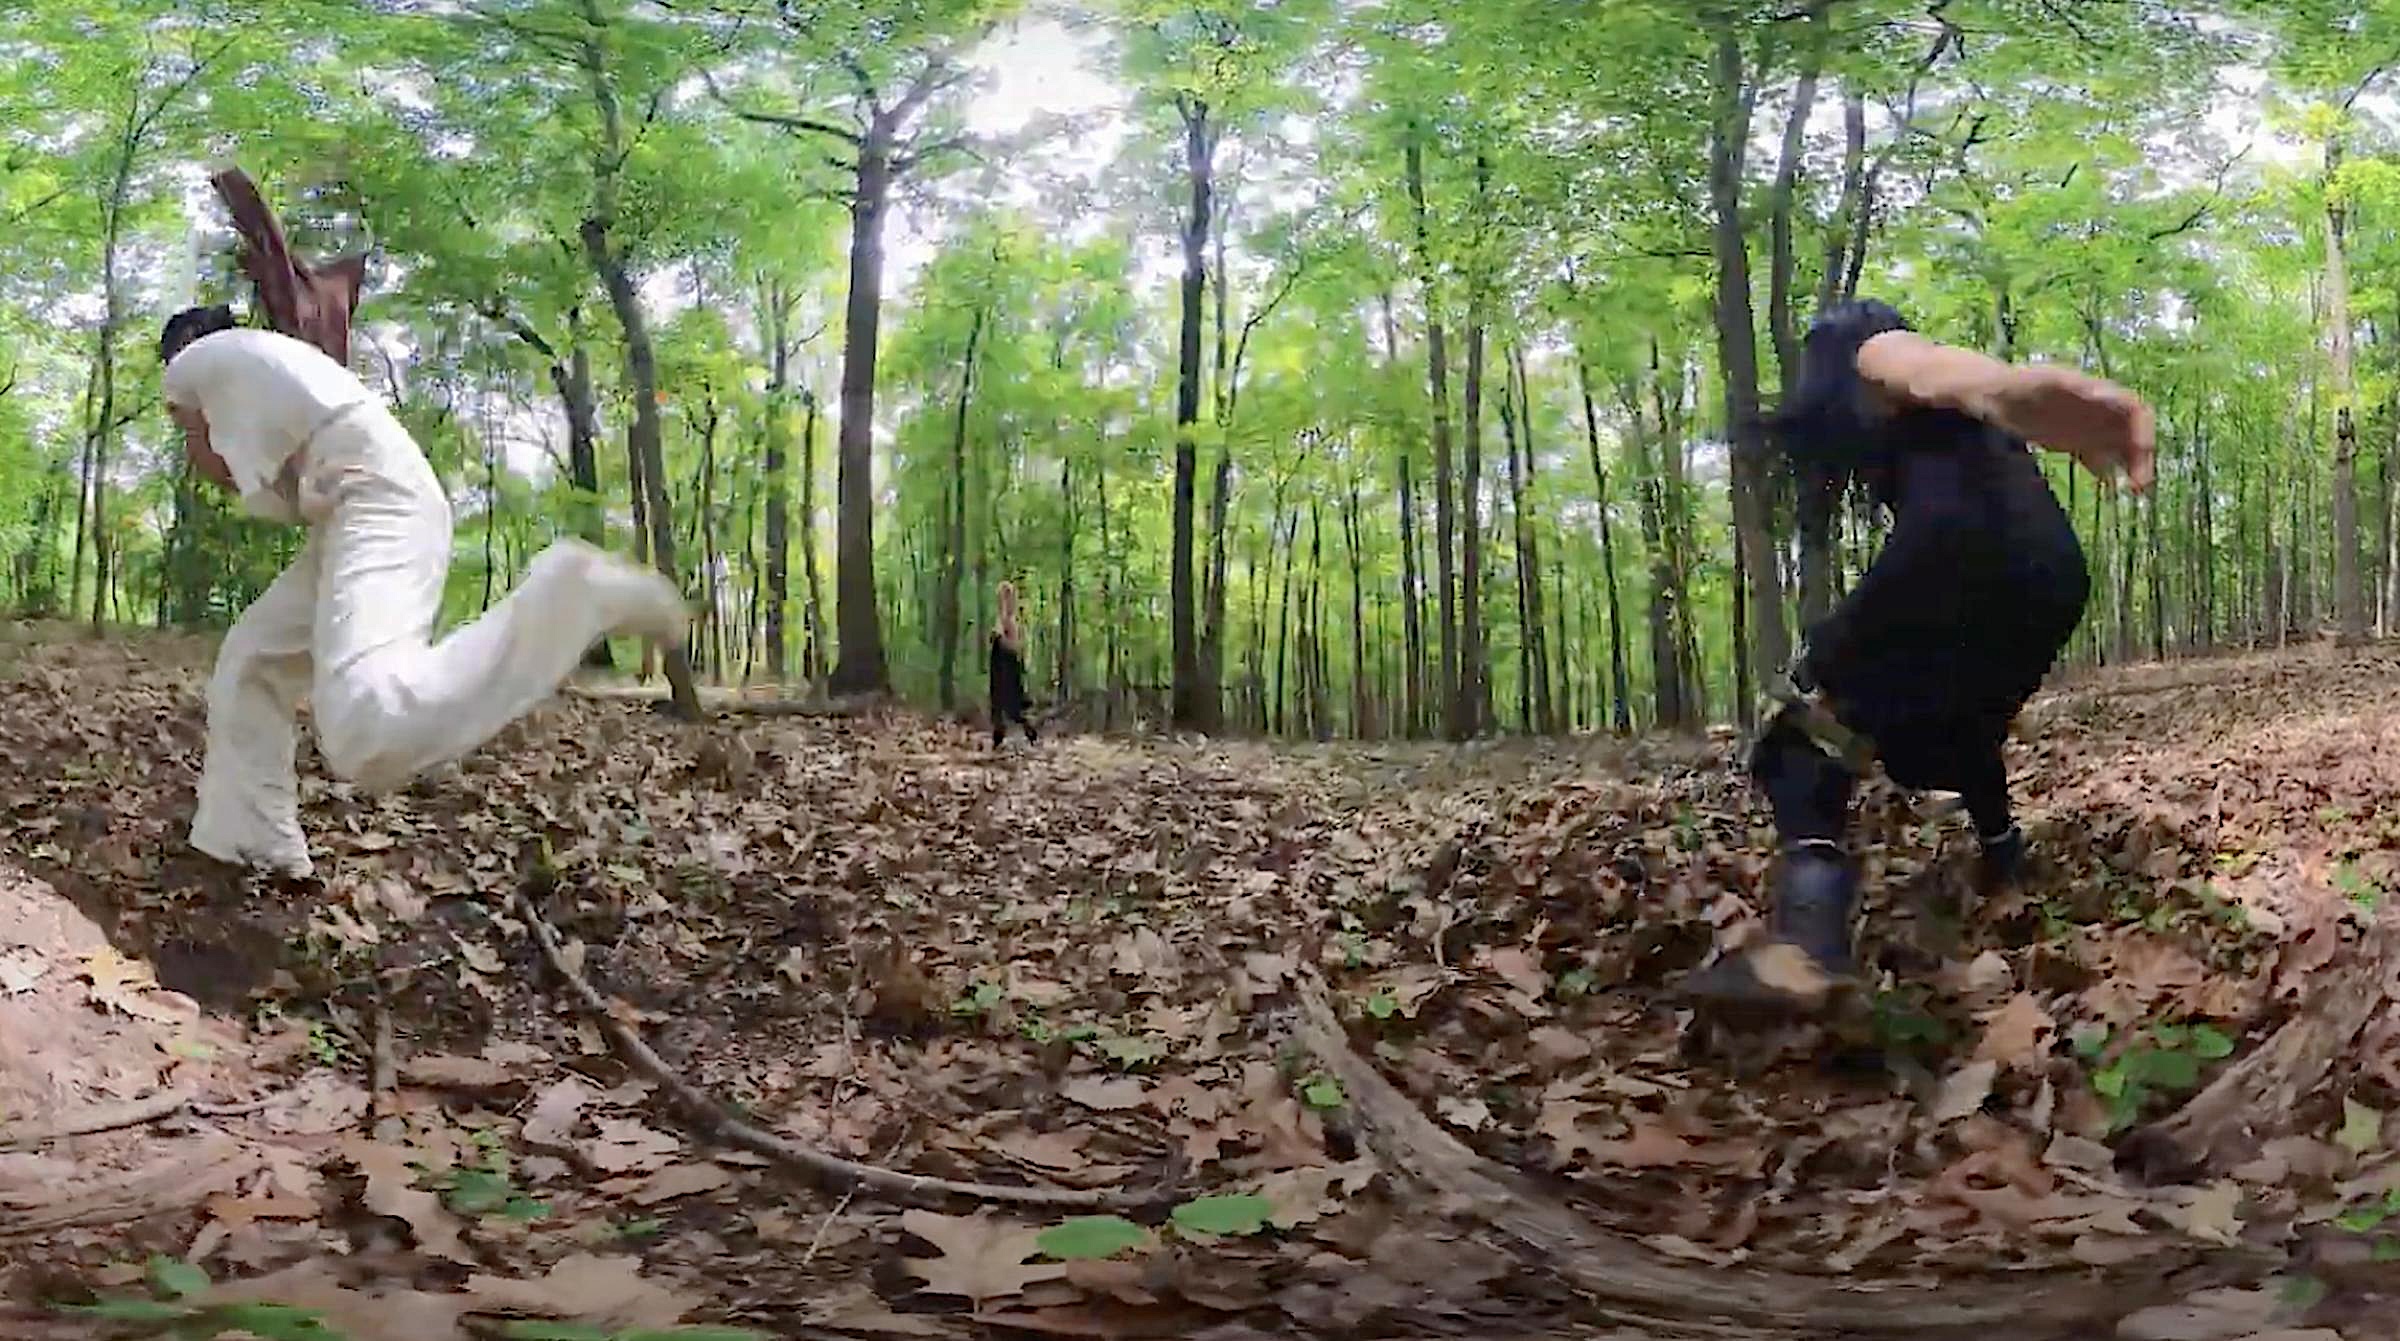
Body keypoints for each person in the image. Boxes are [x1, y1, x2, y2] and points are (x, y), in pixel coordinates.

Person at [1683, 300, 2155, 1016]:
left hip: (1956, 553)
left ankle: (1808, 947)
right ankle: (2005, 856)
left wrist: (2010, 388)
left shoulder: (1863, 344)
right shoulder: (1946, 435)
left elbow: (1924, 365)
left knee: (1799, 735)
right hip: (2053, 574)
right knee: (1960, 730)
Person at [162, 305, 689, 878]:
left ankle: (573, 598)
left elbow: (216, 465)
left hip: (375, 498)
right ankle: (252, 838)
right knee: (255, 657)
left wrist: (191, 424)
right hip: (357, 501)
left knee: (367, 725)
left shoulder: (198, 363)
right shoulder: (276, 360)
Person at [989, 581, 1037, 748]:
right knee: (998, 706)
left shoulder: (1010, 621)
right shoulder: (1002, 618)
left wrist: (1001, 638)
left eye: (1006, 596)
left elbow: (1014, 646)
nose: (1003, 600)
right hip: (998, 668)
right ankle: (997, 740)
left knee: (1012, 707)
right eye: (1002, 596)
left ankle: (1030, 734)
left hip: (1008, 667)